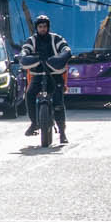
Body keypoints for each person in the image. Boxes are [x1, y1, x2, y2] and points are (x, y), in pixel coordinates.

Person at [19, 14, 70, 144]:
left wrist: (61, 57)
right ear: (37, 28)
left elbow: (65, 48)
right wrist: (24, 57)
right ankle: (34, 123)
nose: (42, 29)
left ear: (48, 27)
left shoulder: (56, 38)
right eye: (40, 26)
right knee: (29, 94)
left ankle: (62, 133)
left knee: (58, 102)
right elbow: (24, 51)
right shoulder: (32, 40)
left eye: (45, 26)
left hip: (54, 75)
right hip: (37, 75)